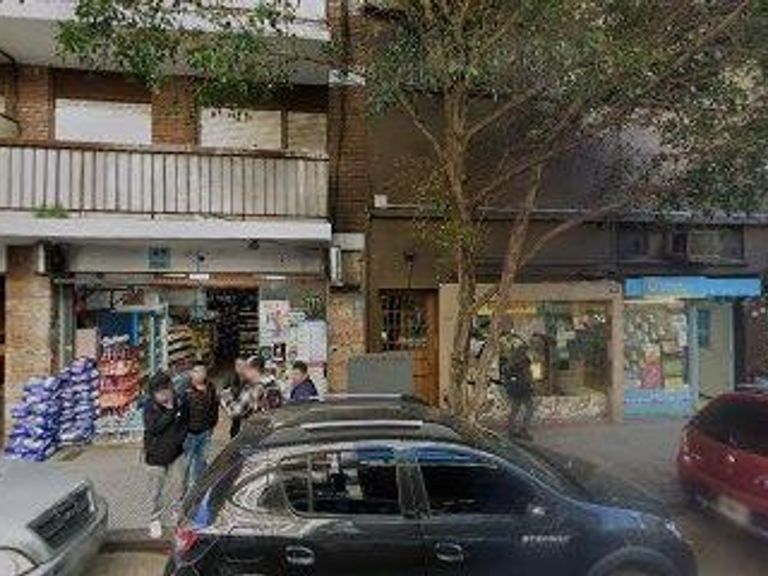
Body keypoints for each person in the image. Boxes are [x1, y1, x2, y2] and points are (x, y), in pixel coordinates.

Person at [143, 371, 188, 539]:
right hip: (155, 457)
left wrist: (180, 440)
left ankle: (177, 513)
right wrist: (170, 411)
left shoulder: (180, 400)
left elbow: (185, 422)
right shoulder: (149, 406)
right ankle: (154, 519)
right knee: (155, 491)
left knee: (179, 486)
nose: (164, 395)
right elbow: (154, 428)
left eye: (166, 390)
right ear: (153, 393)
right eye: (159, 393)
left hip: (176, 454)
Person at [183, 364, 219, 496]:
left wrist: (212, 424)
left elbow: (214, 406)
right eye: (197, 371)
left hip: (206, 431)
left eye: (203, 371)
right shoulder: (184, 389)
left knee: (201, 460)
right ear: (191, 373)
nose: (201, 374)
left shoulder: (210, 386)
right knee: (186, 464)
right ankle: (185, 492)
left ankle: (198, 490)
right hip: (189, 434)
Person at [498, 335, 535, 441]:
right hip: (523, 389)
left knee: (515, 410)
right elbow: (526, 375)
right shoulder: (523, 361)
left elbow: (508, 372)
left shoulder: (514, 360)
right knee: (529, 409)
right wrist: (530, 385)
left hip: (516, 389)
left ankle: (512, 431)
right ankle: (523, 431)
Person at [223, 357, 247, 439]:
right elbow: (224, 395)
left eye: (242, 365)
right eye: (237, 365)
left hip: (247, 414)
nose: (239, 367)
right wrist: (228, 410)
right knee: (235, 434)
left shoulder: (250, 378)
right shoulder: (230, 378)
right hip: (235, 414)